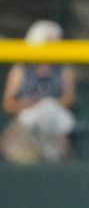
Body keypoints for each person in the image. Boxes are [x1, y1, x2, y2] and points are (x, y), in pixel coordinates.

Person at [1, 20, 76, 164]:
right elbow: (8, 104)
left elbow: (68, 100)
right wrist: (27, 104)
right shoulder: (21, 69)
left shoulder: (64, 69)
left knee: (50, 115)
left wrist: (47, 103)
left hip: (54, 121)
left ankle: (55, 157)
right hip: (26, 124)